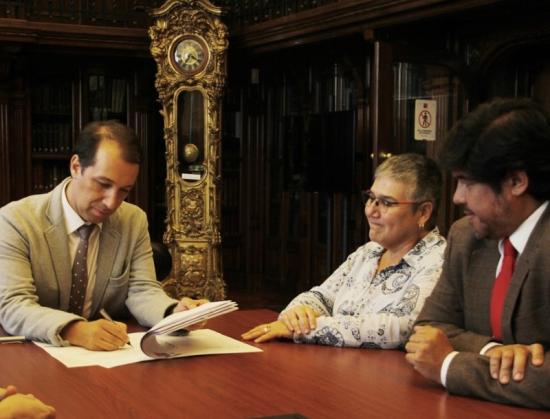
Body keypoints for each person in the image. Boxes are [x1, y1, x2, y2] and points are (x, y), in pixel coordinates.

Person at [0, 120, 206, 351]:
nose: (112, 202)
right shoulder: (15, 220)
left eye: (124, 191)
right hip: (35, 354)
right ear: (76, 167)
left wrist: (174, 313)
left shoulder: (133, 220)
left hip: (108, 359)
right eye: (103, 184)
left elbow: (143, 291)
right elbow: (13, 306)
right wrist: (74, 329)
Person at [405, 97, 550, 409]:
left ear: (516, 181)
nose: (456, 197)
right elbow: (428, 330)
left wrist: (450, 365)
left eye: (466, 183)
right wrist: (491, 351)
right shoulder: (465, 236)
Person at [242, 153, 446, 348]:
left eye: (386, 203)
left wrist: (304, 330)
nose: (371, 211)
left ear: (423, 212)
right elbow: (321, 297)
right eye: (371, 198)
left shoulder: (439, 260)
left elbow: (401, 328)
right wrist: (296, 313)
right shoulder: (369, 252)